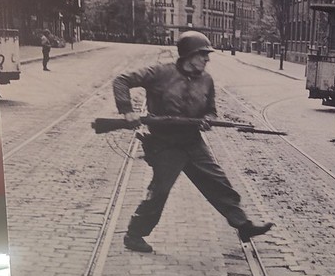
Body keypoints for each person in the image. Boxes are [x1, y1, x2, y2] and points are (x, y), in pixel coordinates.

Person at [113, 30, 274, 252]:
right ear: (188, 56)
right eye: (203, 55)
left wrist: (208, 119)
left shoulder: (206, 80)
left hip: (192, 142)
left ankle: (243, 225)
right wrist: (126, 111)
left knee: (218, 182)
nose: (207, 60)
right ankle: (134, 235)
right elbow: (121, 80)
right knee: (159, 191)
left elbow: (211, 111)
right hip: (165, 144)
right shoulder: (160, 73)